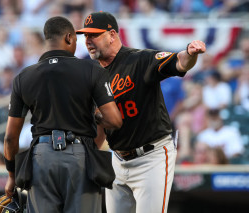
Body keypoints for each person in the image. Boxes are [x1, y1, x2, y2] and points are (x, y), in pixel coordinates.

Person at [76, 11, 206, 213]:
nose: (88, 40)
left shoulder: (139, 59)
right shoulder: (93, 74)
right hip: (117, 159)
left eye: (94, 35)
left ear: (112, 35)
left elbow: (178, 62)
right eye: (86, 36)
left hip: (151, 157)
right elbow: (100, 126)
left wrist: (190, 54)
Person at [3, 16, 122, 213]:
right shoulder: (91, 69)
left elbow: (9, 137)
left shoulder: (23, 77)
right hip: (79, 155)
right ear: (69, 37)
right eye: (76, 39)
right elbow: (114, 120)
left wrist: (11, 175)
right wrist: (93, 115)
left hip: (40, 157)